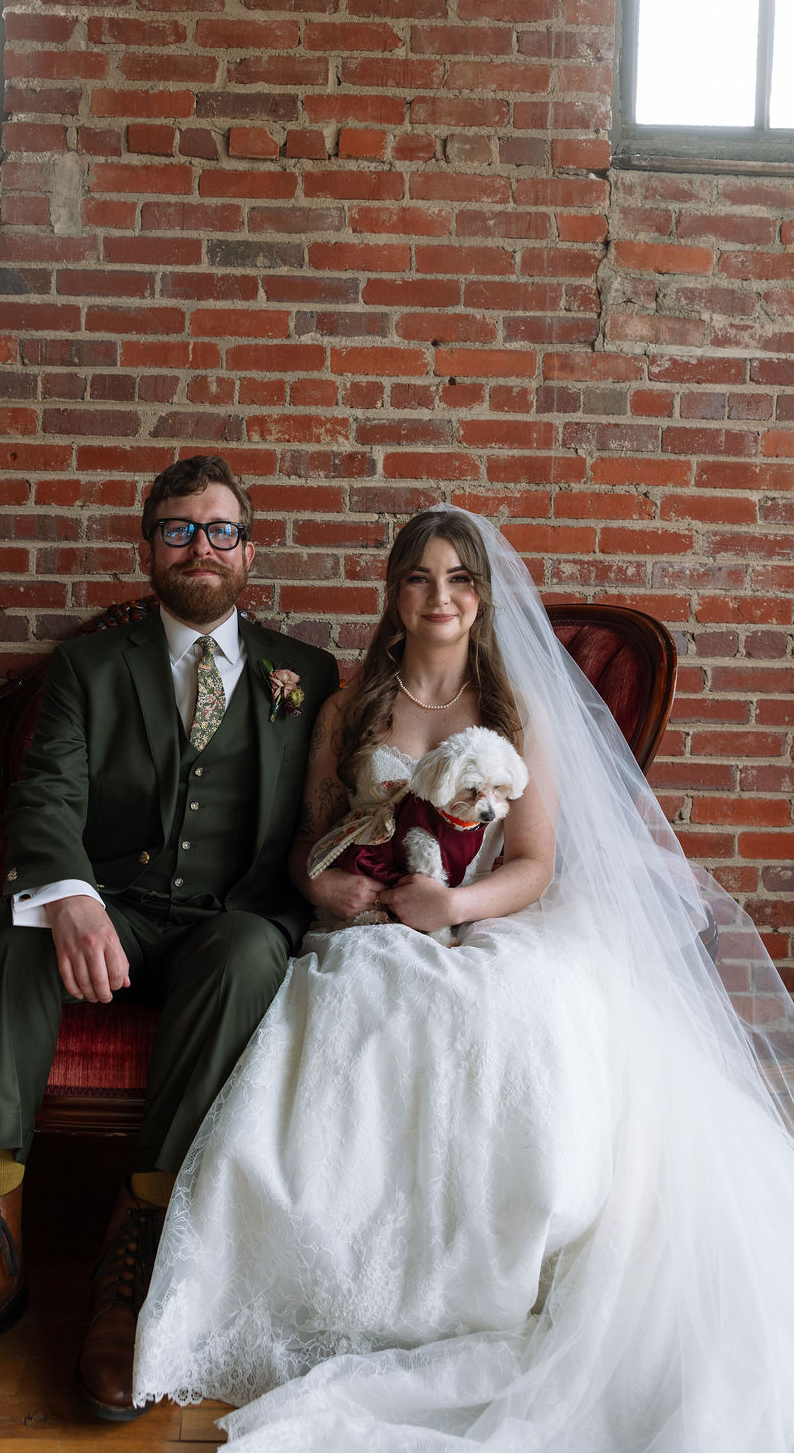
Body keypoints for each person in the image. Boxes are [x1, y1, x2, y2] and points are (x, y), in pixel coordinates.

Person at [133, 506, 794, 1453]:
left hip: (486, 918)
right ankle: (351, 1280)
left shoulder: (515, 710)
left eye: (458, 579)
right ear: (394, 594)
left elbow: (533, 863)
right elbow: (308, 847)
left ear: (480, 597)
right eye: (418, 578)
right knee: (361, 1016)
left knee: (513, 1016)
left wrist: (458, 910)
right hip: (369, 925)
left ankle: (492, 1281)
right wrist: (331, 887)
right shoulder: (350, 702)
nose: (438, 597)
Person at [0, 454, 339, 1425]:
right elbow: (45, 789)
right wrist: (71, 893)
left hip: (228, 921)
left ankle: (138, 1238)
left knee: (255, 948)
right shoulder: (91, 666)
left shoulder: (306, 673)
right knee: (17, 927)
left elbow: (331, 812)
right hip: (116, 906)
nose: (200, 545)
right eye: (178, 527)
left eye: (220, 528)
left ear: (249, 550)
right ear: (147, 548)